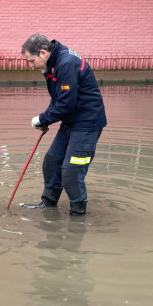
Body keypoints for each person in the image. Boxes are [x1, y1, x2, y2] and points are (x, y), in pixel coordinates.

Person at [20, 33, 107, 216]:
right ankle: (48, 204)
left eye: (31, 60)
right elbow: (59, 98)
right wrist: (47, 118)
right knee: (52, 161)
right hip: (71, 121)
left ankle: (78, 214)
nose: (31, 65)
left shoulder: (66, 63)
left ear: (43, 53)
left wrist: (42, 119)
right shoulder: (53, 63)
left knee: (71, 170)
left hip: (87, 124)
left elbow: (65, 103)